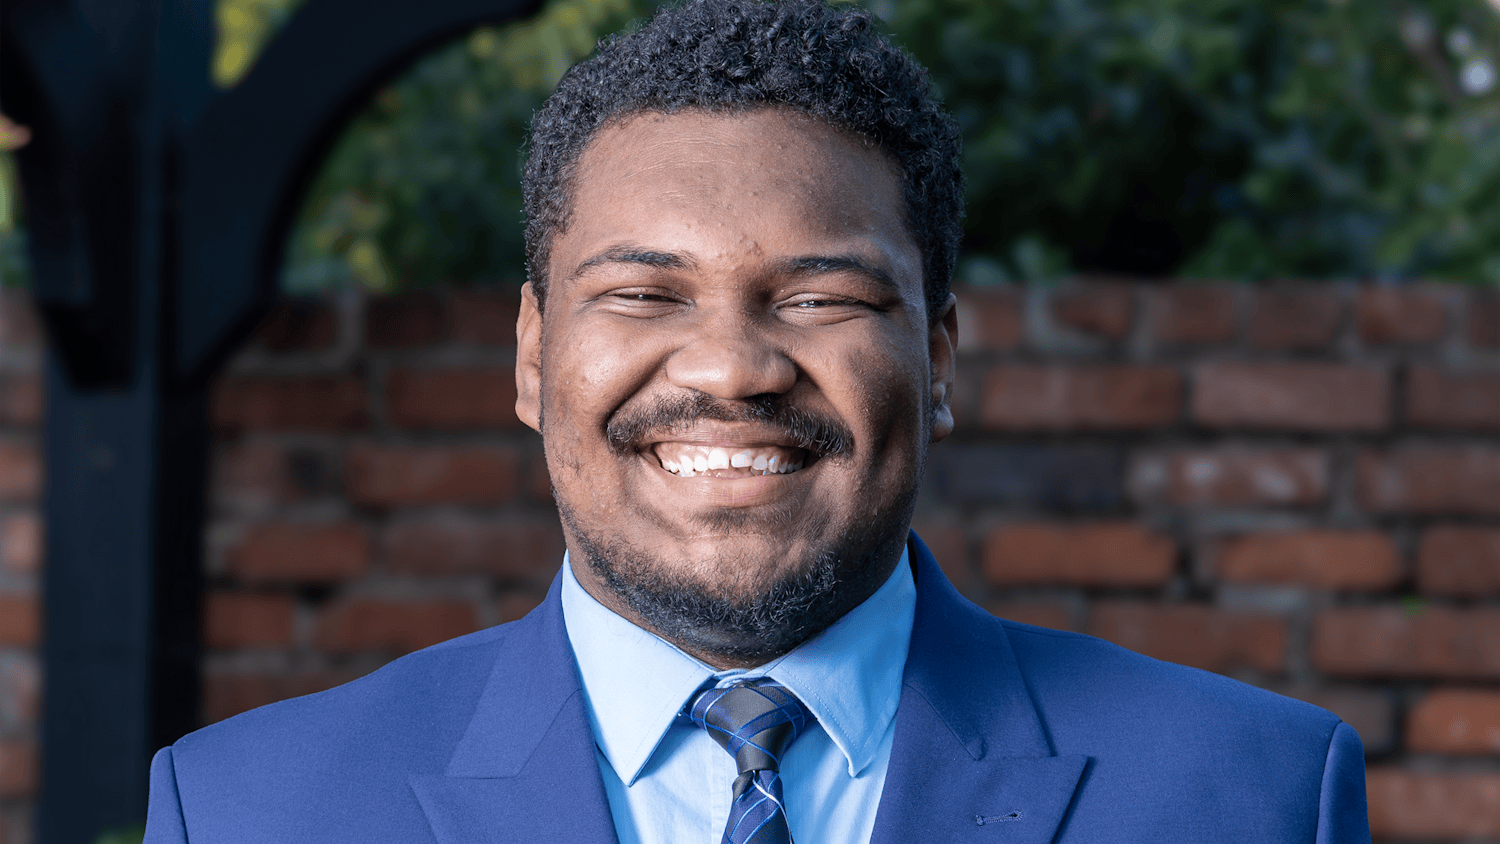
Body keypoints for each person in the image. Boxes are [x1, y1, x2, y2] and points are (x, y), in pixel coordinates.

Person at [144, 1, 1371, 841]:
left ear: (936, 358)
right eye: (643, 293)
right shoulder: (251, 807)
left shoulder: (1252, 791)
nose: (732, 367)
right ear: (532, 355)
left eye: (819, 296)